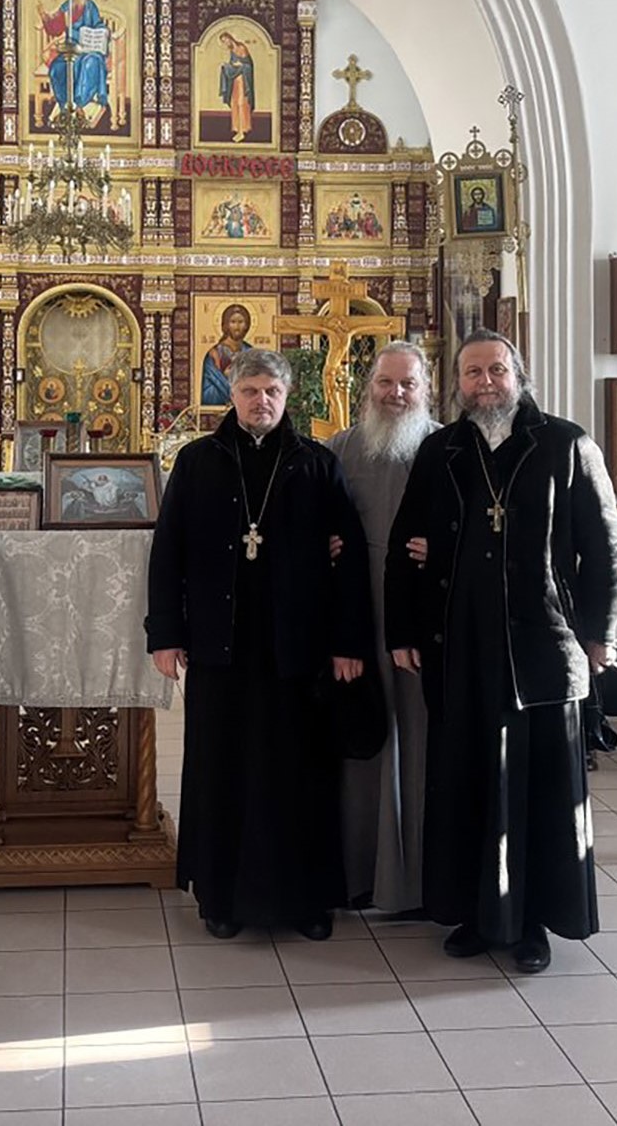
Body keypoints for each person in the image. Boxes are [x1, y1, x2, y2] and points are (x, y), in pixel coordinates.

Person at [386, 329, 617, 974]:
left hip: (541, 645)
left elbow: (604, 548)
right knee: (466, 782)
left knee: (537, 791)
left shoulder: (566, 444)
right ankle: (474, 913)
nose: (485, 382)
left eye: (496, 370)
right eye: (472, 372)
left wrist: (599, 635)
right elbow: (405, 543)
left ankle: (532, 923)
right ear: (457, 384)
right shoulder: (441, 449)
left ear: (518, 376)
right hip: (458, 644)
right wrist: (401, 631)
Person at [147, 348, 373, 940]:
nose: (261, 401)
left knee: (301, 772)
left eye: (272, 391)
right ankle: (221, 899)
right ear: (232, 394)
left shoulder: (316, 463)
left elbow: (348, 557)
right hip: (220, 644)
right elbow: (168, 550)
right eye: (250, 390)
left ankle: (308, 901)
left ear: (287, 396)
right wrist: (165, 634)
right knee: (223, 770)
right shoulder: (198, 461)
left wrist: (348, 642)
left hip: (297, 647)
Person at [326, 342, 436, 914]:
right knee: (360, 745)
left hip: (421, 618)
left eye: (407, 384)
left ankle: (416, 882)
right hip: (357, 615)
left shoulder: (447, 447)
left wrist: (442, 550)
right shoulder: (339, 449)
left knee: (419, 742)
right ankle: (356, 875)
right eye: (385, 383)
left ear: (425, 388)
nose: (395, 394)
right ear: (367, 387)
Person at [43, 0, 109, 121]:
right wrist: (46, 18)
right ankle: (64, 105)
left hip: (89, 49)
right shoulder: (67, 6)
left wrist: (102, 31)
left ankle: (79, 104)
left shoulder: (91, 7)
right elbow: (55, 27)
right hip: (71, 48)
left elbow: (98, 24)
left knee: (88, 64)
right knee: (57, 68)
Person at [199, 303, 253, 406]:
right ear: (226, 325)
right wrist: (224, 378)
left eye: (241, 322)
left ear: (247, 325)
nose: (237, 327)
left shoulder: (251, 353)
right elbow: (207, 395)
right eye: (233, 322)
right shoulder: (214, 353)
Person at [218, 30, 256, 142]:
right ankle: (237, 129)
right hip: (235, 81)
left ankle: (242, 131)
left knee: (241, 104)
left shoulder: (241, 48)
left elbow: (248, 66)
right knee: (234, 104)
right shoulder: (232, 51)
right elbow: (233, 66)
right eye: (223, 42)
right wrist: (227, 66)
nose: (225, 43)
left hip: (243, 81)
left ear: (230, 38)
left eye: (225, 40)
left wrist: (241, 65)